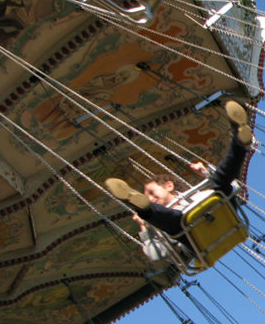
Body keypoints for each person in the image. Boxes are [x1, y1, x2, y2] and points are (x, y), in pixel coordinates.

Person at [104, 99, 253, 257]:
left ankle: (239, 140)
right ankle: (142, 208)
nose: (151, 197)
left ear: (169, 185)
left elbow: (234, 187)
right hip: (193, 239)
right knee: (174, 221)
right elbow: (156, 256)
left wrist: (206, 174)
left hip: (218, 213)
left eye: (152, 192)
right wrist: (145, 228)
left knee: (219, 184)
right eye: (147, 196)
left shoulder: (196, 195)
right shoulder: (161, 225)